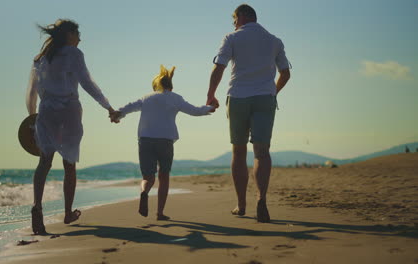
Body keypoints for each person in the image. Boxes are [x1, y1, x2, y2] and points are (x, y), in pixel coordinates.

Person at [26, 19, 115, 234]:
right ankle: (67, 212)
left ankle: (37, 207)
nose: (80, 38)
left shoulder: (41, 58)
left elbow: (31, 92)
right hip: (69, 112)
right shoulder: (74, 54)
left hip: (46, 112)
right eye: (77, 34)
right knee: (69, 163)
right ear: (69, 35)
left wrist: (32, 117)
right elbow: (87, 83)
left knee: (44, 162)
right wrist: (108, 106)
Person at [206, 4, 291, 223]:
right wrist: (273, 91)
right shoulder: (274, 40)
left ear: (242, 16)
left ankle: (241, 204)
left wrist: (211, 94)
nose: (233, 24)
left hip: (238, 97)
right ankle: (261, 199)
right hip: (265, 98)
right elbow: (285, 73)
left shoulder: (231, 38)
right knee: (262, 152)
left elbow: (219, 67)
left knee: (239, 152)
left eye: (234, 19)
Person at [110, 65, 217, 220]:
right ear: (170, 86)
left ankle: (144, 192)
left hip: (145, 140)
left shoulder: (146, 98)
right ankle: (160, 213)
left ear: (155, 86)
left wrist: (117, 115)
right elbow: (194, 111)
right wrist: (210, 108)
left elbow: (128, 107)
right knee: (164, 176)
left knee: (148, 177)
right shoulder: (175, 98)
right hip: (165, 141)